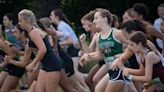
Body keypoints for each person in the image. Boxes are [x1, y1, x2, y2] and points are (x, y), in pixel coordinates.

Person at [6, 9, 62, 92]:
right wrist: (10, 60)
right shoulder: (31, 34)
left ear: (26, 21)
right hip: (45, 66)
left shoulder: (34, 32)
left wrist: (33, 64)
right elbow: (25, 61)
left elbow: (43, 50)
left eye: (20, 21)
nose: (19, 23)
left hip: (52, 64)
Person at [80, 8, 130, 92]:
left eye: (96, 18)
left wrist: (122, 56)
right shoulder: (98, 37)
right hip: (110, 68)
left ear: (105, 19)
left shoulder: (116, 33)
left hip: (120, 67)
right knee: (98, 89)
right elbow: (100, 56)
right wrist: (87, 57)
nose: (94, 21)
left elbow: (133, 45)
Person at [50, 9, 89, 92]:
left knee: (74, 71)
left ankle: (86, 88)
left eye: (51, 15)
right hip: (73, 48)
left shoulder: (61, 26)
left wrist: (55, 44)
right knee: (75, 72)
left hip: (74, 48)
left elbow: (70, 41)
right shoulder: (61, 25)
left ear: (56, 16)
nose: (50, 18)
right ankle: (86, 84)